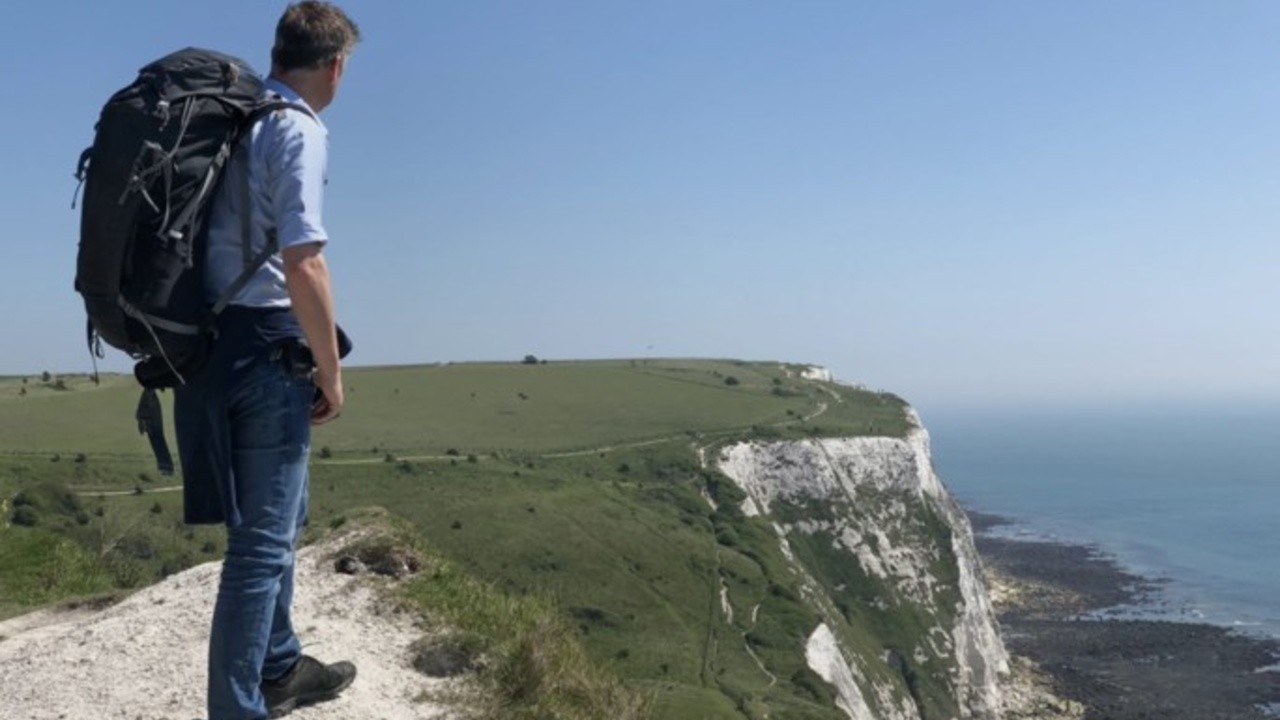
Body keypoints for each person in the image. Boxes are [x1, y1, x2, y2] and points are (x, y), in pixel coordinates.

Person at [173, 3, 360, 718]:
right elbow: (304, 261)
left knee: (280, 516)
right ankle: (238, 707)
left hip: (207, 343)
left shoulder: (236, 122)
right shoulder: (295, 131)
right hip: (263, 345)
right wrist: (330, 369)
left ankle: (280, 666)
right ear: (334, 64)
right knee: (257, 549)